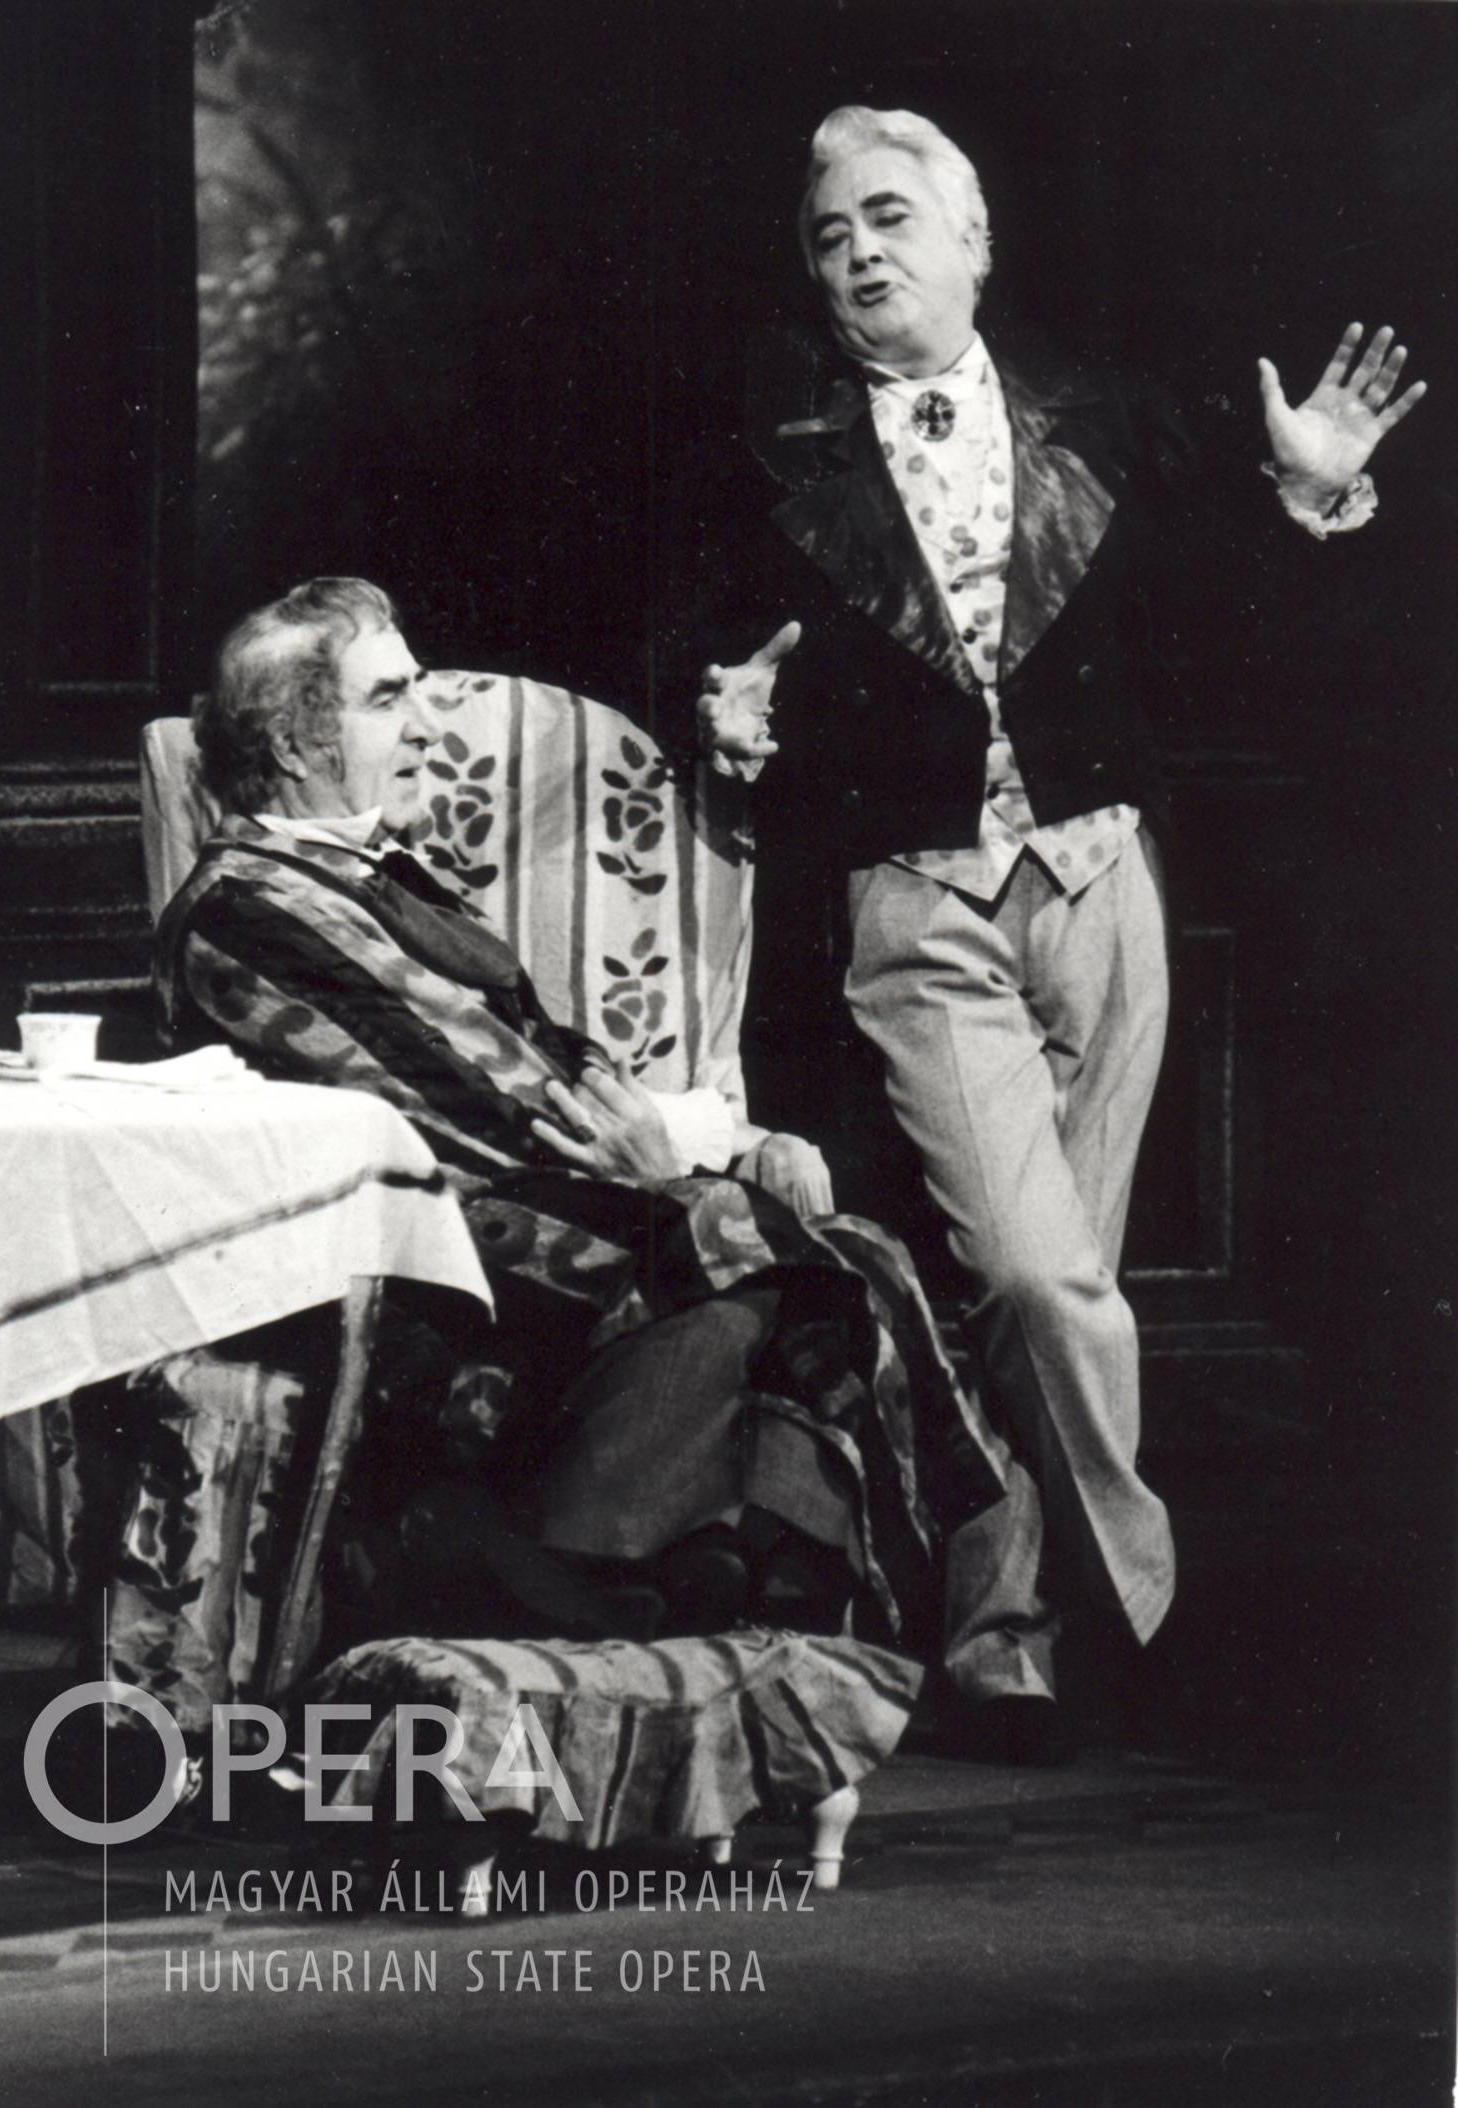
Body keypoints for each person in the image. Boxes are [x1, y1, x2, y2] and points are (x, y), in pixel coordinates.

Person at [691, 105, 1426, 1760]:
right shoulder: (770, 455)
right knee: (1035, 1276)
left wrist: (1306, 493)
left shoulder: (1104, 413)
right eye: (827, 236)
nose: (857, 253)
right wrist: (722, 710)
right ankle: (1144, 1608)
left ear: (974, 240)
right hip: (917, 898)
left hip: (1102, 881)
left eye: (889, 217)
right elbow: (701, 643)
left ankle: (1002, 1636)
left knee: (1051, 1285)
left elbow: (1240, 614)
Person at [155, 575, 1010, 1656]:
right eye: (387, 699)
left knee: (848, 1253)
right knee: (735, 1236)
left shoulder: (380, 877)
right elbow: (474, 1087)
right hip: (413, 1257)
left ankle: (776, 1584)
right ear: (291, 744)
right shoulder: (246, 907)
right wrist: (681, 1144)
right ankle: (624, 1577)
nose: (426, 725)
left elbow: (554, 1052)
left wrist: (672, 1136)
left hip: (523, 1208)